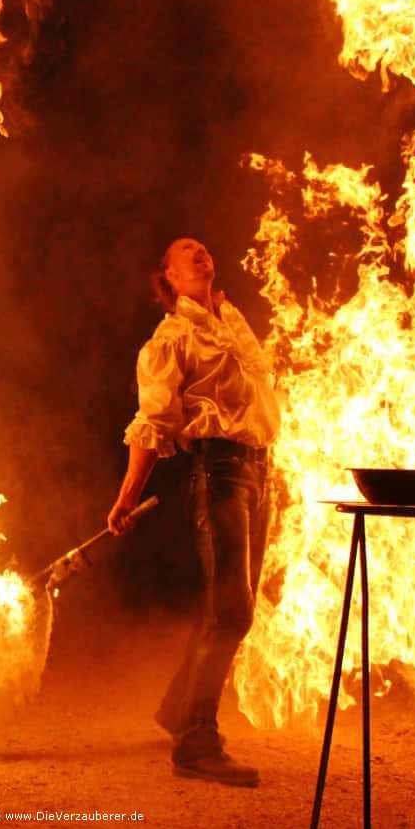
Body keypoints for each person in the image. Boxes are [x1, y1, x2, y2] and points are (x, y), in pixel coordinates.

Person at [107, 237, 280, 787]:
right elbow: (154, 421)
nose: (199, 252)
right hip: (221, 473)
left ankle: (179, 708)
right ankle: (195, 742)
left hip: (258, 471)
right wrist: (128, 494)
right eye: (186, 252)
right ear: (170, 279)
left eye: (204, 247)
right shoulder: (171, 338)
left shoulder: (230, 321)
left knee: (230, 604)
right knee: (232, 608)